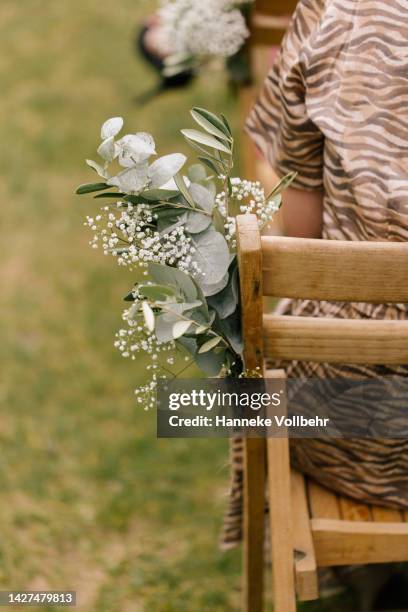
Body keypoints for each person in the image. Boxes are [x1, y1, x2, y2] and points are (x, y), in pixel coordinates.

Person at [223, 0, 408, 607]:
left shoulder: (338, 14)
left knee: (237, 393)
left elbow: (297, 244)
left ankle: (361, 576)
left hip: (356, 430)